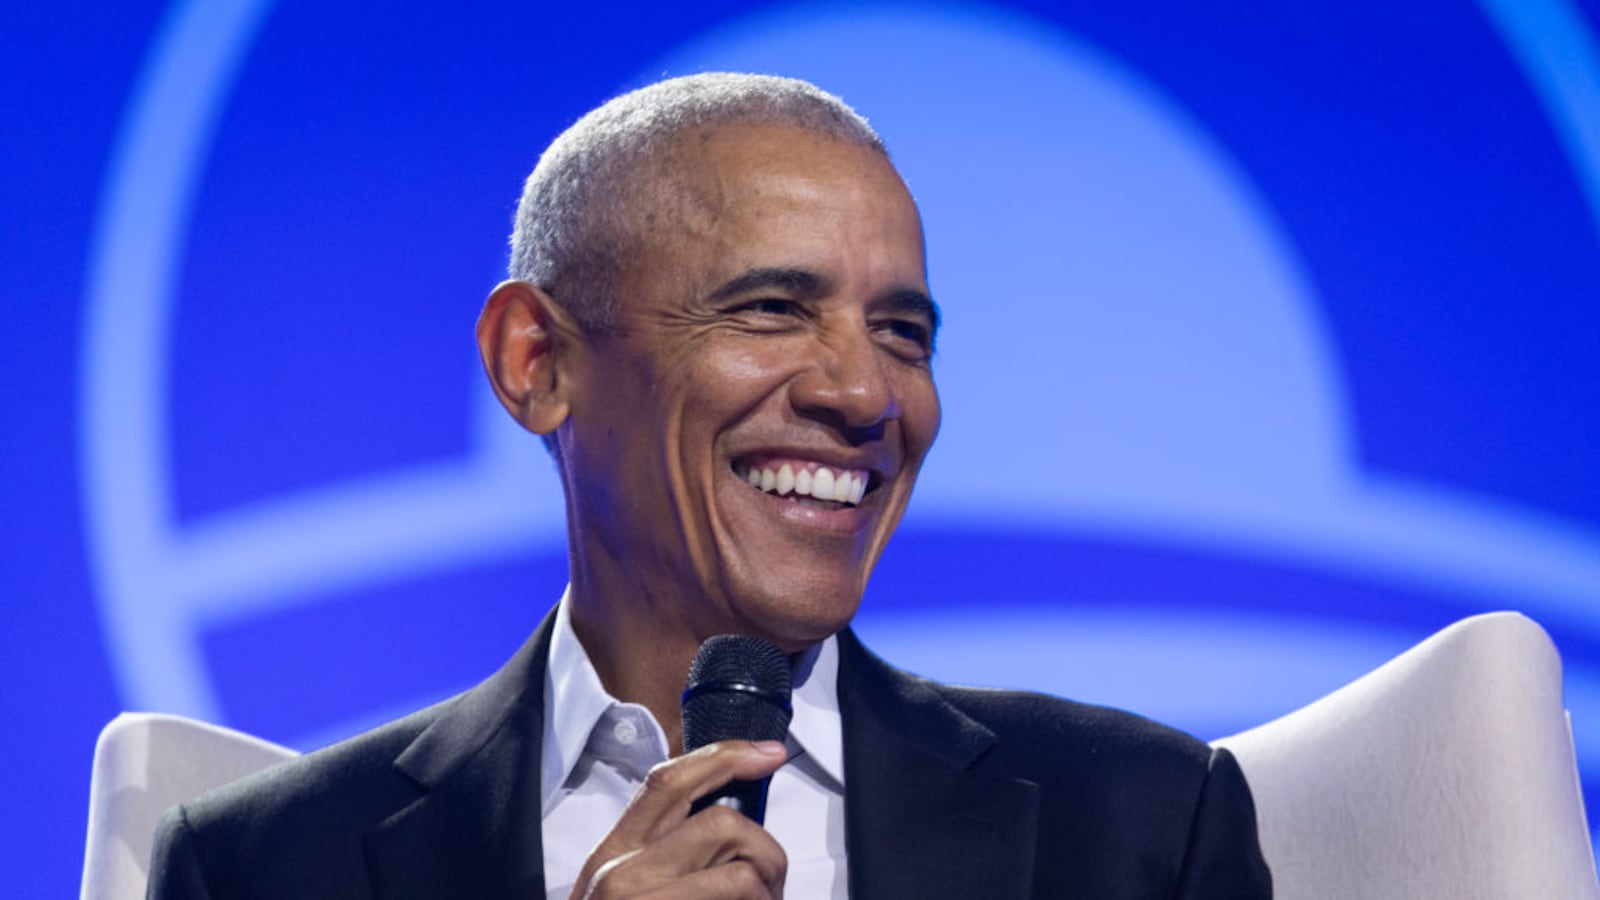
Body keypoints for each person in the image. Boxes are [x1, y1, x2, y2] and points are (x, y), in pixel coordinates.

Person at [147, 72, 1272, 900]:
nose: (865, 393)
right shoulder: (262, 867)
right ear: (535, 362)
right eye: (772, 309)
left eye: (902, 332)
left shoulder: (1135, 825)